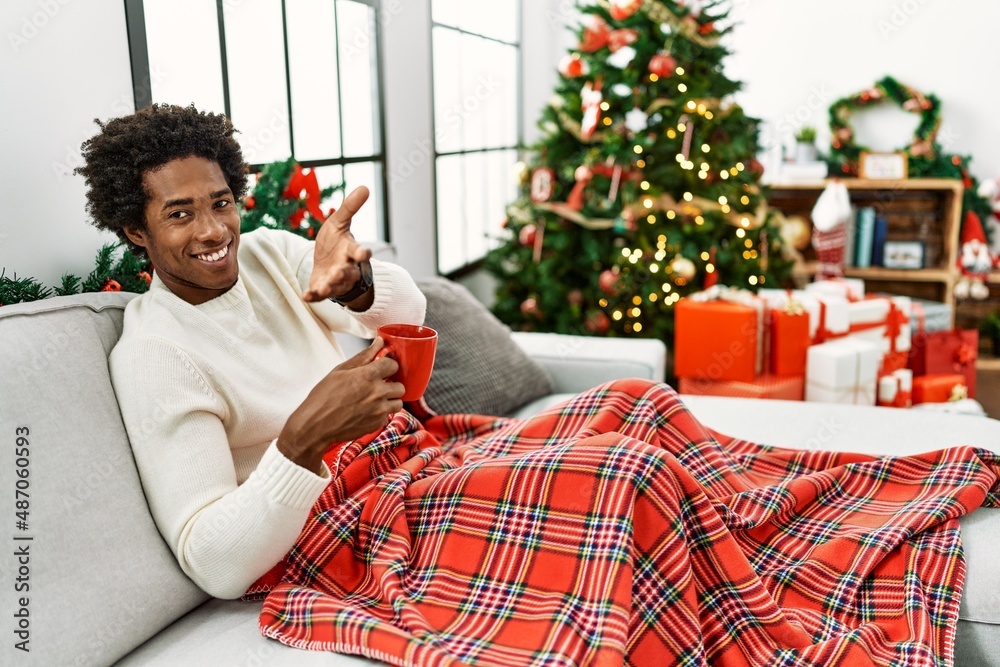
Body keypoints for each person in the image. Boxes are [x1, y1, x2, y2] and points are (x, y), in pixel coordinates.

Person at [76, 103, 426, 598]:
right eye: (180, 214)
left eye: (221, 203)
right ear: (137, 231)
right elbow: (214, 564)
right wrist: (305, 438)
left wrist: (356, 285)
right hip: (337, 527)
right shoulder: (155, 354)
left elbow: (409, 316)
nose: (214, 230)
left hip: (402, 467)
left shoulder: (269, 255)